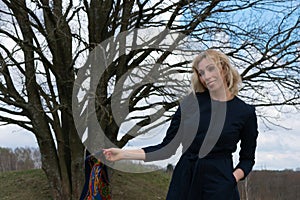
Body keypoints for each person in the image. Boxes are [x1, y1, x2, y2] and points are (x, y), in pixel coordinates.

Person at [103, 49, 259, 200]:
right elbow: (166, 149)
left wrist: (231, 179)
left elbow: (247, 159)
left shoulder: (245, 112)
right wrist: (123, 154)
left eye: (211, 69)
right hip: (185, 182)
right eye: (201, 73)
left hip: (220, 186)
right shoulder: (190, 103)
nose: (207, 76)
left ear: (224, 69)